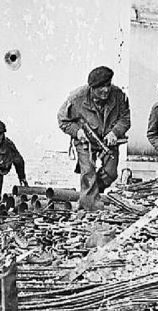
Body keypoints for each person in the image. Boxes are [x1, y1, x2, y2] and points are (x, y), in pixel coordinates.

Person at [58, 66, 130, 210]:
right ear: (92, 88)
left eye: (108, 85)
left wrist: (115, 132)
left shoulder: (118, 96)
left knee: (111, 173)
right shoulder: (76, 98)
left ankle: (90, 193)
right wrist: (77, 132)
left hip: (109, 141)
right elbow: (62, 121)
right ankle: (90, 209)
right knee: (88, 172)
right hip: (85, 141)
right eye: (101, 87)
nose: (106, 90)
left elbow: (125, 119)